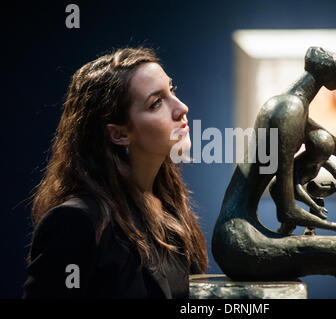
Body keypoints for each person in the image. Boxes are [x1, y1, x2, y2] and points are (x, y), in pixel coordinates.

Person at [23, 47, 208, 299]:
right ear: (119, 134)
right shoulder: (75, 222)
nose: (182, 108)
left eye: (172, 90)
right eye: (156, 103)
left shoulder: (170, 209)